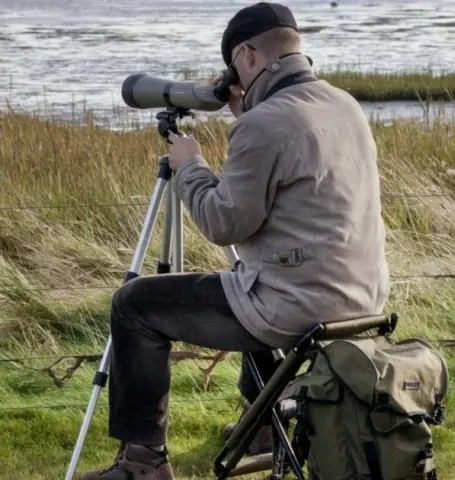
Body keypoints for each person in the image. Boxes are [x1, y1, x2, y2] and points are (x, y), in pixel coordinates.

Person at [78, 2, 390, 478]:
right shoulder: (344, 104)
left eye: (233, 66)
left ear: (245, 54)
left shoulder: (264, 125)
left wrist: (190, 166)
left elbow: (223, 224)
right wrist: (250, 113)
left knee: (134, 305)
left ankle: (143, 464)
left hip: (297, 308)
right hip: (361, 297)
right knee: (245, 279)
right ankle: (264, 424)